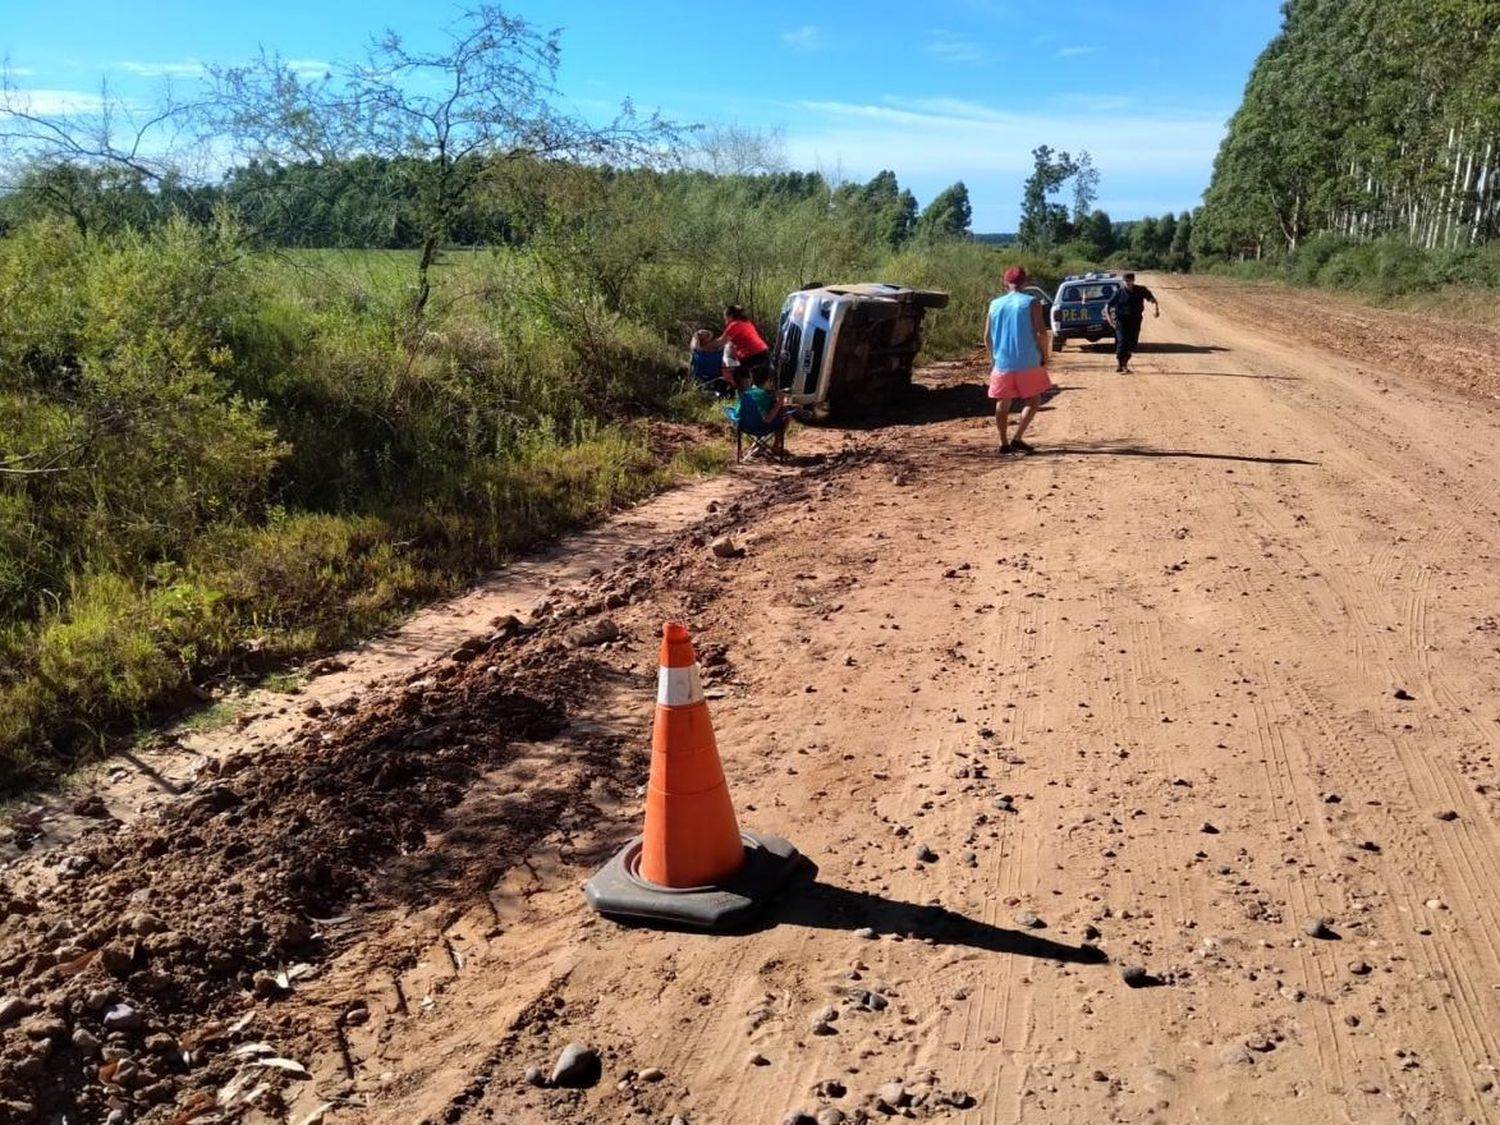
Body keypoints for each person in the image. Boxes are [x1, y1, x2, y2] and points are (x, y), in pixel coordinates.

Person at [984, 265, 1052, 455]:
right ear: (1025, 282)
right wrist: (1044, 355)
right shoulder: (1032, 302)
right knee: (1033, 400)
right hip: (1029, 361)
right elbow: (1041, 332)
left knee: (1002, 401)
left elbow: (987, 337)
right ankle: (1018, 437)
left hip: (1002, 362)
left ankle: (1003, 442)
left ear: (1005, 283)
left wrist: (994, 357)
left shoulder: (994, 304)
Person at [1103, 272, 1159, 374]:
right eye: (1125, 281)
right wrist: (1110, 320)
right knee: (1122, 341)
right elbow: (1107, 306)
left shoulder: (1141, 290)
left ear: (1133, 281)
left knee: (1132, 343)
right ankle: (1121, 364)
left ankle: (1124, 362)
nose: (1127, 283)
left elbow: (1153, 299)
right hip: (1121, 320)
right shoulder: (1118, 293)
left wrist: (1156, 309)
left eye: (1129, 281)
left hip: (1135, 320)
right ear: (1123, 282)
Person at [707, 305, 771, 387]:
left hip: (753, 354)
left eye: (725, 317)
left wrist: (705, 345)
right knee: (751, 377)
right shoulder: (746, 323)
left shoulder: (734, 325)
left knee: (740, 375)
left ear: (730, 316)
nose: (725, 320)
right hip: (762, 352)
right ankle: (751, 395)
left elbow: (720, 342)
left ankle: (745, 395)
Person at [737, 366, 794, 458]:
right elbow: (768, 419)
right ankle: (775, 446)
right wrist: (780, 401)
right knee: (786, 416)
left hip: (744, 426)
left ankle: (756, 445)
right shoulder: (766, 397)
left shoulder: (745, 394)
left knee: (756, 417)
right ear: (768, 380)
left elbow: (737, 413)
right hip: (763, 427)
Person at [690, 329, 734, 397]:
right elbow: (728, 342)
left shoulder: (696, 353)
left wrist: (696, 336)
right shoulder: (719, 354)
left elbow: (694, 344)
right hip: (717, 380)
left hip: (700, 381)